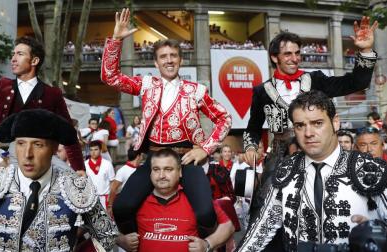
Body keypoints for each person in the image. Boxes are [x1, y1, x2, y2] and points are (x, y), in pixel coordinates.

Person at [102, 8, 231, 237]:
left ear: (180, 60)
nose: (169, 61)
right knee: (122, 207)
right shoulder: (146, 84)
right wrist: (116, 40)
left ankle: (197, 246)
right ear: (156, 62)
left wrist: (205, 149)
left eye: (173, 56)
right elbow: (110, 77)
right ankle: (139, 244)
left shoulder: (196, 91)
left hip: (187, 159)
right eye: (163, 56)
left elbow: (224, 118)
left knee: (205, 215)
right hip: (153, 158)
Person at [0, 109, 117, 251]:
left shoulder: (77, 188)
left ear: (54, 148)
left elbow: (107, 236)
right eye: (21, 144)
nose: (27, 155)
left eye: (38, 145)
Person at [238, 90, 387, 251]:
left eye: (317, 123)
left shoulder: (370, 170)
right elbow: (260, 231)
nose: (308, 133)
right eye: (300, 125)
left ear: (335, 122)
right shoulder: (286, 171)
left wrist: (380, 237)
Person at [243, 17, 378, 165]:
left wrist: (365, 50)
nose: (295, 59)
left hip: (318, 153)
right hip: (281, 155)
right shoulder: (262, 90)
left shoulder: (316, 80)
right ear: (275, 57)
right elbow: (253, 128)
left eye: (297, 53)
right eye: (288, 54)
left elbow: (357, 83)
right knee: (266, 186)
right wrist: (250, 148)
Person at [0, 20, 85, 172]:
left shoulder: (52, 94)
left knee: (76, 185)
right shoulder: (3, 87)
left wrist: (79, 168)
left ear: (34, 61)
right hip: (14, 157)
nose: (13, 59)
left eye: (20, 54)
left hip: (45, 158)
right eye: (13, 54)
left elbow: (69, 134)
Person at [116, 149, 235, 252]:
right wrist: (121, 240)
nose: (161, 175)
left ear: (180, 172)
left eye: (168, 169)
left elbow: (228, 226)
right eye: (156, 169)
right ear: (150, 172)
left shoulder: (195, 199)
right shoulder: (136, 200)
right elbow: (103, 226)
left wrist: (207, 244)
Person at [108, 148, 143, 216]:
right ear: (138, 156)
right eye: (141, 155)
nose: (142, 157)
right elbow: (113, 189)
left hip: (140, 204)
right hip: (127, 204)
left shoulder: (142, 168)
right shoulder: (122, 170)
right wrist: (110, 206)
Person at [85, 140, 115, 210]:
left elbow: (112, 182)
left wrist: (110, 200)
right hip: (91, 199)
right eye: (91, 150)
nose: (93, 152)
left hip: (105, 198)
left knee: (108, 220)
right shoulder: (85, 165)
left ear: (100, 150)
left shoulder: (107, 164)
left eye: (96, 149)